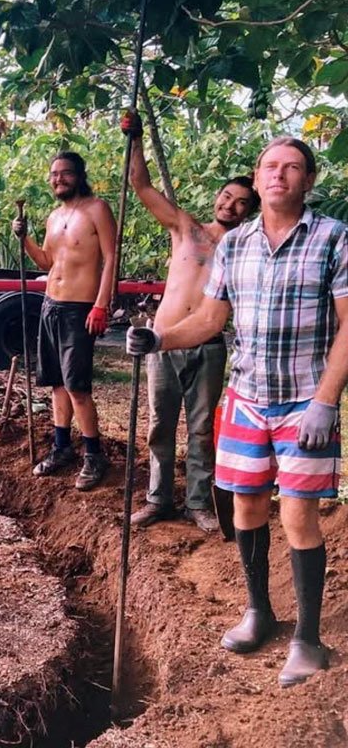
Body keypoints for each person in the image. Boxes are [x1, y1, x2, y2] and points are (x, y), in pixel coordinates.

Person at [127, 136, 347, 687]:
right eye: (271, 165)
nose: (279, 175)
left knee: (297, 516)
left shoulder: (333, 238)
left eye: (292, 167)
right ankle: (259, 612)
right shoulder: (234, 245)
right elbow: (209, 320)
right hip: (246, 399)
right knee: (246, 507)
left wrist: (326, 400)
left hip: (305, 401)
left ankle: (308, 640)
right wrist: (159, 339)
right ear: (258, 174)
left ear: (308, 180)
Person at [122, 111, 259, 533]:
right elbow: (141, 186)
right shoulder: (185, 228)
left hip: (209, 347)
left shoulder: (246, 249)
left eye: (241, 202)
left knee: (201, 430)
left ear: (250, 211)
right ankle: (158, 500)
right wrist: (136, 139)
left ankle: (198, 504)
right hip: (163, 342)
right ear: (217, 197)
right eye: (226, 196)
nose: (229, 205)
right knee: (159, 426)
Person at [12, 152, 117, 490]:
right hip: (51, 305)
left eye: (65, 173)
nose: (59, 179)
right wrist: (24, 239)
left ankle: (94, 455)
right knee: (57, 383)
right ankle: (62, 448)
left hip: (79, 308)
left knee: (76, 386)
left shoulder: (97, 209)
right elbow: (46, 262)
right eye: (54, 174)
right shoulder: (54, 217)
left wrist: (101, 304)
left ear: (79, 175)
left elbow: (112, 257)